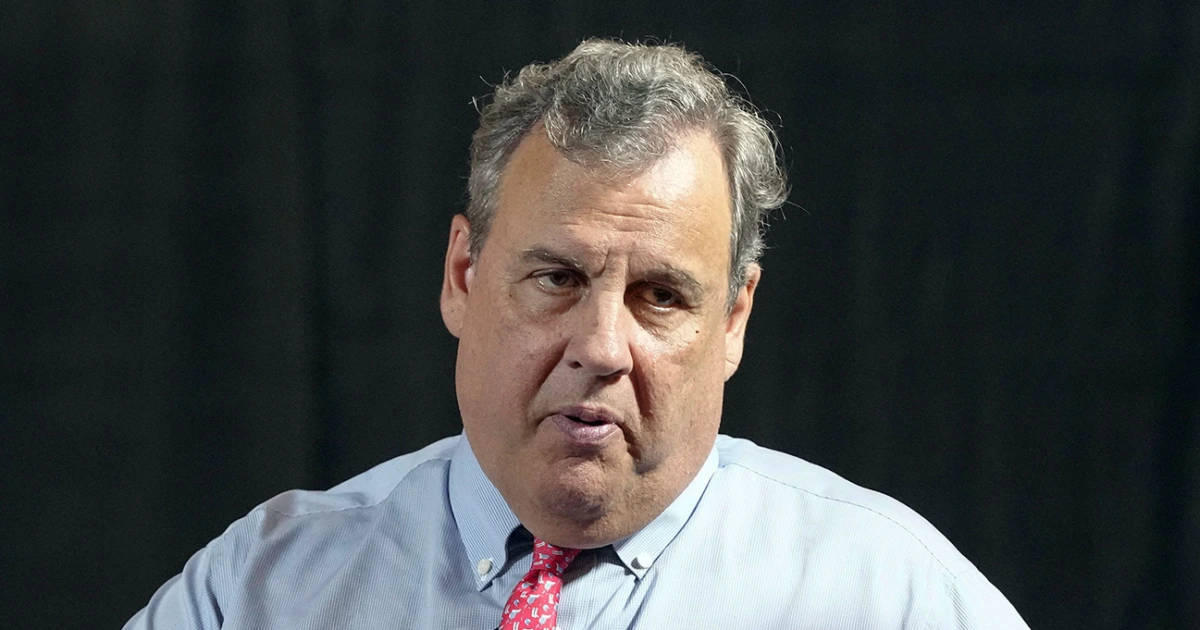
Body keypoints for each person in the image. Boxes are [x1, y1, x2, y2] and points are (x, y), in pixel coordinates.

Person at [125, 39, 1029, 629]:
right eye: (557, 279)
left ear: (733, 320)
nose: (601, 346)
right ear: (463, 276)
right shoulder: (261, 592)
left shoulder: (892, 598)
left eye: (661, 296)